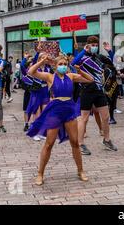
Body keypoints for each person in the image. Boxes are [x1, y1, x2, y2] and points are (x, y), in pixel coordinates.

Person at [26, 54, 93, 185]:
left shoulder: (71, 76)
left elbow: (90, 80)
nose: (63, 66)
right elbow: (31, 72)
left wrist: (80, 71)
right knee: (49, 143)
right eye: (60, 64)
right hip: (55, 110)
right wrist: (42, 62)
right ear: (55, 66)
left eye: (65, 64)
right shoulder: (50, 77)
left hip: (69, 109)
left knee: (74, 142)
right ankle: (40, 173)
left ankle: (80, 171)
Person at [72, 36, 117, 156]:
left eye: (96, 45)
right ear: (88, 45)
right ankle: (80, 143)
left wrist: (109, 51)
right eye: (92, 45)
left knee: (106, 117)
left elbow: (113, 63)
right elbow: (73, 63)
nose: (95, 47)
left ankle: (106, 140)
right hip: (86, 90)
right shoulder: (83, 58)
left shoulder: (99, 57)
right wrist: (83, 51)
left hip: (99, 90)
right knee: (84, 118)